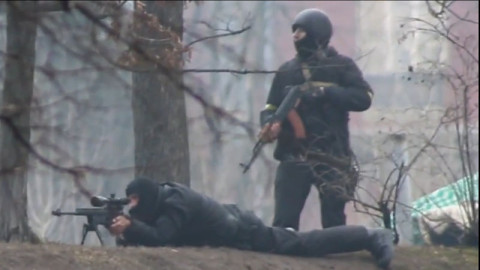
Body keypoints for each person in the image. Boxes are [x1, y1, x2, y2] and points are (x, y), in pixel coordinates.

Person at [110, 178, 394, 269]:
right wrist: (127, 233)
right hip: (234, 225)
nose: (133, 206)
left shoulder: (175, 203)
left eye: (135, 200)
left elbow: (162, 236)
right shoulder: (166, 199)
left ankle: (370, 235)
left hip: (244, 232)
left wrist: (131, 228)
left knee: (303, 244)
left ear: (147, 197)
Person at [258, 8, 373, 230]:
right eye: (295, 31)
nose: (295, 36)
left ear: (316, 33)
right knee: (284, 224)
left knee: (334, 224)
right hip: (294, 154)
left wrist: (326, 93)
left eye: (301, 31)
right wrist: (269, 123)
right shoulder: (287, 71)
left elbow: (363, 98)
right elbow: (270, 107)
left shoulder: (341, 66)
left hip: (331, 154)